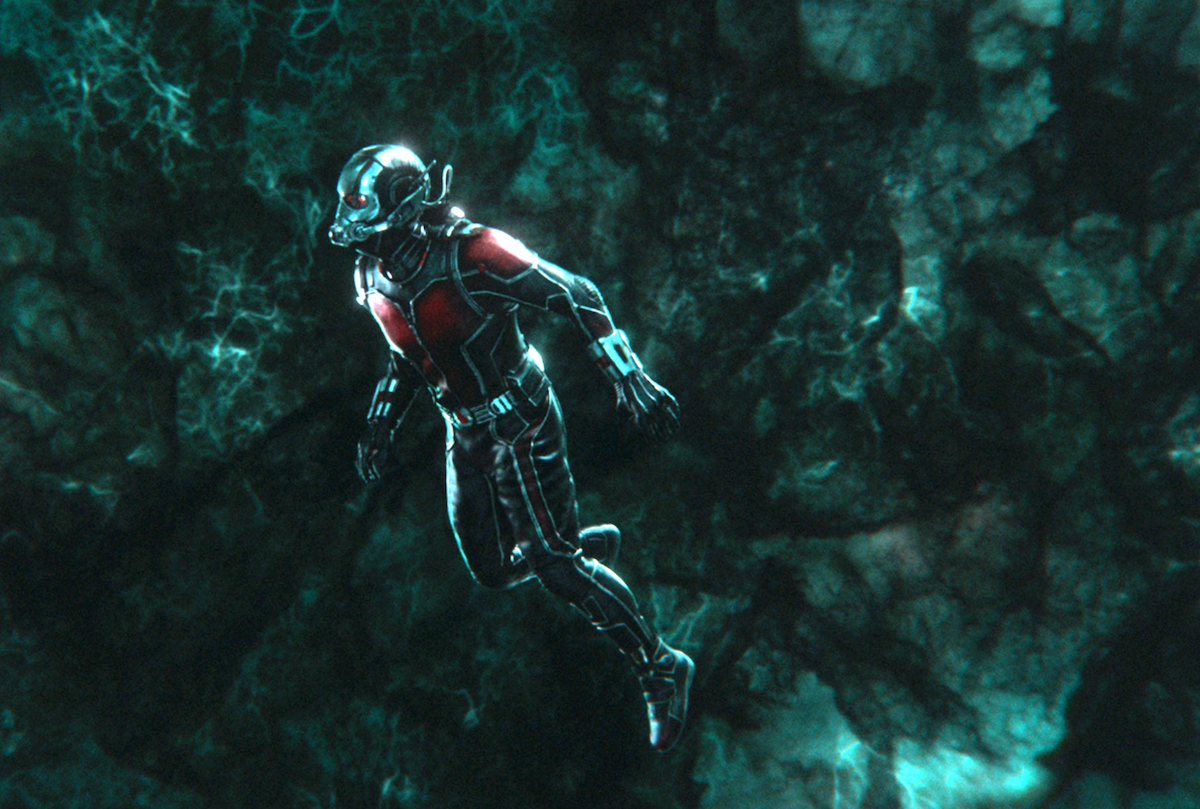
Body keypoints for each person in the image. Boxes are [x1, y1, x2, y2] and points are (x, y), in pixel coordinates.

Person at [328, 144, 694, 752]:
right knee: (493, 570)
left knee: (554, 567)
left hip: (520, 422)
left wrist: (629, 375)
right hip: (462, 432)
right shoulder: (369, 277)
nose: (355, 228)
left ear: (403, 210)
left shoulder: (473, 254)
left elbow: (577, 294)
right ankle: (575, 551)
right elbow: (406, 358)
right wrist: (381, 422)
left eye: (365, 212)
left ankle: (659, 664)